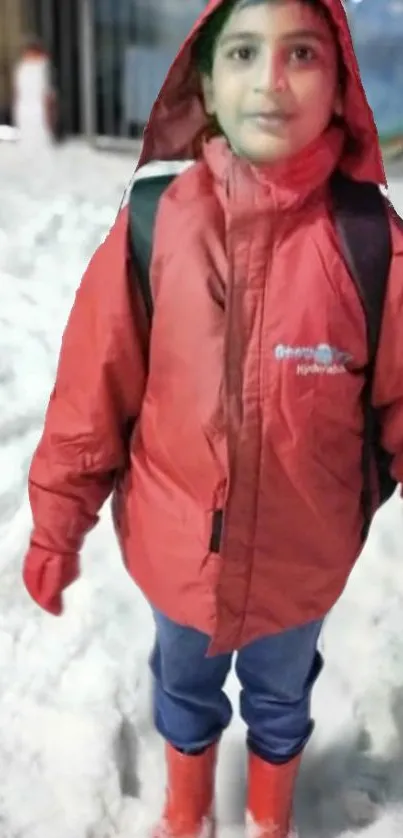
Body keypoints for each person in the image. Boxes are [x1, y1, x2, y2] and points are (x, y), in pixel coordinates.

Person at [22, 1, 403, 836]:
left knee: (280, 693)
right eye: (242, 54)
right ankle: (186, 810)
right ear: (204, 80)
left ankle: (269, 818)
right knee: (183, 688)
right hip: (176, 551)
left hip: (301, 563)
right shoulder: (156, 228)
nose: (269, 81)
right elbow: (91, 399)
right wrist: (55, 529)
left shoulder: (370, 242)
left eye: (300, 53)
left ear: (340, 81)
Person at [13, 35, 57, 149]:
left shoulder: (23, 67)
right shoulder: (41, 66)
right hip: (34, 111)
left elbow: (18, 92)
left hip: (28, 111)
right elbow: (48, 94)